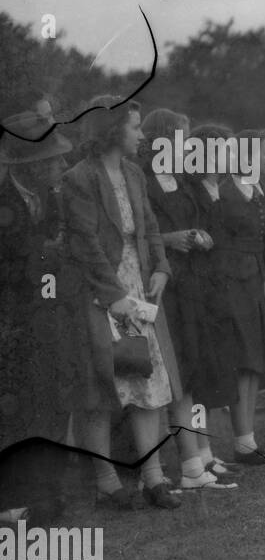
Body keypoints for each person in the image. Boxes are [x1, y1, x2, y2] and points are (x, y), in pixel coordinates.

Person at [61, 98, 182, 510]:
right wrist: (114, 298)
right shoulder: (80, 178)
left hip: (139, 292)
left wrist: (162, 268)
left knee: (144, 382)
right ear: (113, 130)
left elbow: (149, 228)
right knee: (102, 388)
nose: (142, 134)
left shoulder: (133, 173)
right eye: (134, 127)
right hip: (103, 295)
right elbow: (86, 244)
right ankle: (107, 482)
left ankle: (153, 477)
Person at [138, 108, 239, 488]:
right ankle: (189, 465)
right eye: (179, 137)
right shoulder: (143, 180)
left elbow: (201, 219)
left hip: (192, 282)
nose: (186, 144)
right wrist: (170, 240)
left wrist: (197, 235)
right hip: (164, 286)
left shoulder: (181, 179)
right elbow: (140, 236)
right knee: (177, 375)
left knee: (194, 372)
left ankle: (203, 456)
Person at [0, 109, 81, 519]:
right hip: (11, 327)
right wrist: (49, 252)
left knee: (51, 405)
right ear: (30, 166)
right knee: (16, 413)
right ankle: (13, 502)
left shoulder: (50, 197)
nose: (62, 165)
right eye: (53, 159)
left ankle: (46, 495)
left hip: (48, 320)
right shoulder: (4, 202)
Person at [194, 122, 265, 461]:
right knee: (241, 359)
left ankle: (247, 440)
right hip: (231, 283)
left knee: (253, 361)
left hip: (251, 280)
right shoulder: (227, 193)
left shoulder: (256, 188)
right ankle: (241, 440)